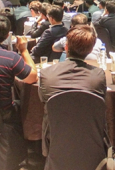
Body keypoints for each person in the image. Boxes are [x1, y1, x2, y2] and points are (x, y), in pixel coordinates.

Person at [39, 25, 106, 155]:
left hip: (54, 135)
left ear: (66, 47)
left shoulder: (46, 73)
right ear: (91, 49)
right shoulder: (98, 75)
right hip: (91, 136)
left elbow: (43, 100)